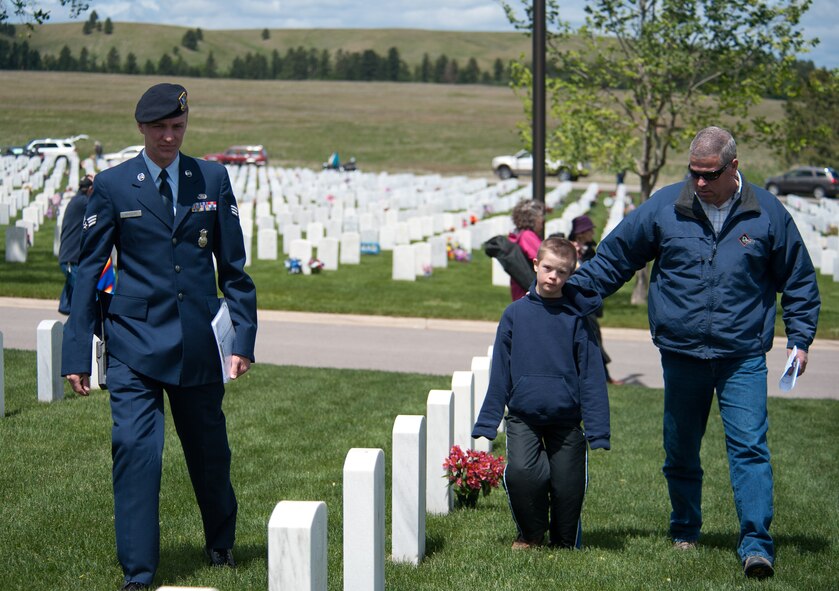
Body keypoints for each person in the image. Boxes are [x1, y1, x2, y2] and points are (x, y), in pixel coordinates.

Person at [567, 126, 820, 579]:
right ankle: (685, 527)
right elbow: (615, 258)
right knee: (680, 449)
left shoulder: (767, 213)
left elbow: (797, 279)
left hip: (741, 354)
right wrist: (566, 298)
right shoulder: (666, 206)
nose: (699, 183)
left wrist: (799, 338)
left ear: (734, 167)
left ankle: (757, 544)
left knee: (749, 449)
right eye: (694, 173)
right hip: (682, 352)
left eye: (710, 174)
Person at [61, 83, 258, 591]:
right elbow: (88, 271)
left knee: (210, 453)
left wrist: (243, 340)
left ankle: (221, 544)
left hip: (196, 346)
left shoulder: (211, 178)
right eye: (160, 128)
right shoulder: (111, 186)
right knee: (134, 449)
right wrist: (77, 352)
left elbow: (232, 267)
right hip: (133, 345)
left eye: (178, 127)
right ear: (142, 129)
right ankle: (139, 572)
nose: (170, 136)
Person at [472, 237, 611, 550]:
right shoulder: (514, 315)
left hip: (565, 416)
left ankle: (563, 541)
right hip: (524, 414)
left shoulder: (577, 317)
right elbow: (501, 371)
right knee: (522, 473)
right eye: (548, 268)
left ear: (570, 274)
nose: (553, 277)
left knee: (568, 483)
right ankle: (531, 534)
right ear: (535, 265)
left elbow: (590, 374)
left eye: (562, 272)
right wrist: (488, 421)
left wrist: (598, 428)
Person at [568, 214, 621, 385]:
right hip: (574, 300)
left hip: (588, 299)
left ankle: (604, 375)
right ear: (581, 232)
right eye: (589, 229)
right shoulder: (568, 250)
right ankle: (602, 376)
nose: (592, 232)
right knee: (589, 338)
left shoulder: (590, 251)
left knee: (594, 337)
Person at [57, 174, 94, 314]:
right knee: (84, 292)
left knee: (70, 298)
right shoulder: (82, 202)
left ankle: (67, 312)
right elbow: (103, 204)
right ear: (90, 189)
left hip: (71, 257)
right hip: (71, 259)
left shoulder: (79, 200)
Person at [508, 198, 544, 301]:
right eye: (540, 216)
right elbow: (543, 258)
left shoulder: (519, 234)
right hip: (527, 293)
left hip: (521, 291)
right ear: (532, 218)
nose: (542, 220)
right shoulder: (527, 236)